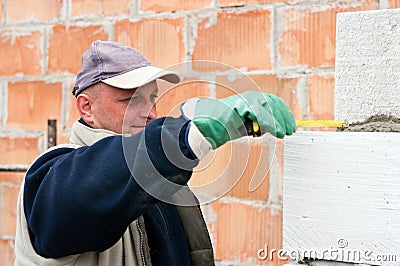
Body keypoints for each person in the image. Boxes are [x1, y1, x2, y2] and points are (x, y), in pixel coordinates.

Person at [14, 40, 296, 266]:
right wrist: (188, 134)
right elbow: (101, 177)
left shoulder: (165, 181)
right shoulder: (53, 176)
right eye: (131, 99)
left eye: (151, 97)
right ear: (86, 108)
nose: (150, 112)